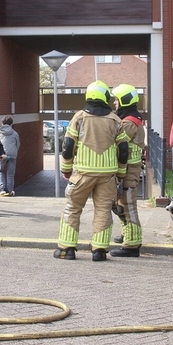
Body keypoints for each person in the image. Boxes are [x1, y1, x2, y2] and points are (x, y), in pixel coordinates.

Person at [54, 81, 129, 262]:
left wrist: (66, 169)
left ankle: (67, 249)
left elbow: (68, 146)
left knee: (73, 208)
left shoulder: (79, 117)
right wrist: (120, 173)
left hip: (82, 174)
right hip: (107, 175)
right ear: (105, 97)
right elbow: (124, 149)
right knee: (103, 210)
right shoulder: (115, 120)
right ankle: (99, 251)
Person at [109, 84, 147, 258]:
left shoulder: (129, 122)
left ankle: (132, 245)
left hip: (129, 170)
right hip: (127, 169)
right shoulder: (130, 119)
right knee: (120, 204)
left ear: (124, 101)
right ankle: (128, 234)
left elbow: (116, 141)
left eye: (117, 100)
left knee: (128, 205)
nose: (115, 103)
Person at [0, 116, 20, 197]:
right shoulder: (15, 133)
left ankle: (2, 190)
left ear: (2, 124)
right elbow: (18, 144)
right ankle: (9, 191)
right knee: (10, 174)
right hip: (12, 155)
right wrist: (15, 152)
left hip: (1, 155)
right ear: (11, 124)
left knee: (0, 171)